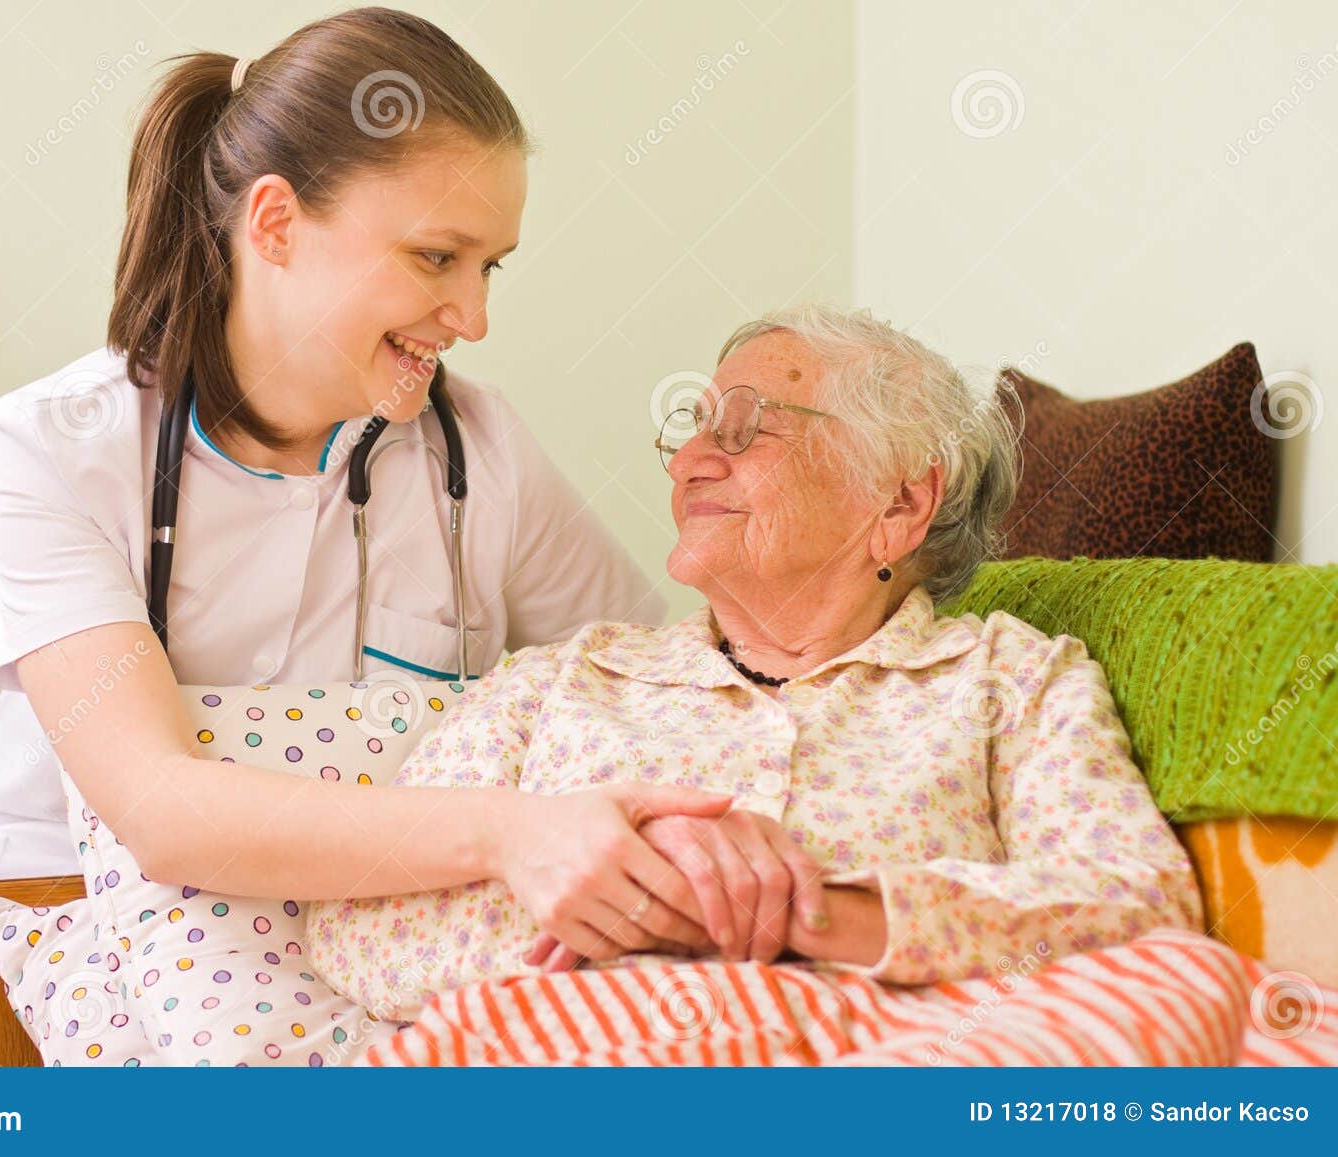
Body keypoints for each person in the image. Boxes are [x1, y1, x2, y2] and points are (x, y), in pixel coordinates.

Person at [0, 7, 725, 1066]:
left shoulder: (482, 459)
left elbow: (659, 695)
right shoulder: (56, 446)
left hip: (320, 957)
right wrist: (507, 829)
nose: (472, 316)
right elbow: (158, 810)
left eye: (492, 267)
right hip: (6, 912)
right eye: (437, 256)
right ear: (274, 224)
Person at [305, 303, 1206, 1026]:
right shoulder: (563, 680)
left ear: (899, 499)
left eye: (743, 432)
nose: (691, 461)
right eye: (692, 430)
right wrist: (631, 891)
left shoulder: (1012, 681)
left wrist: (816, 914)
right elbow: (348, 923)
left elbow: (1139, 906)